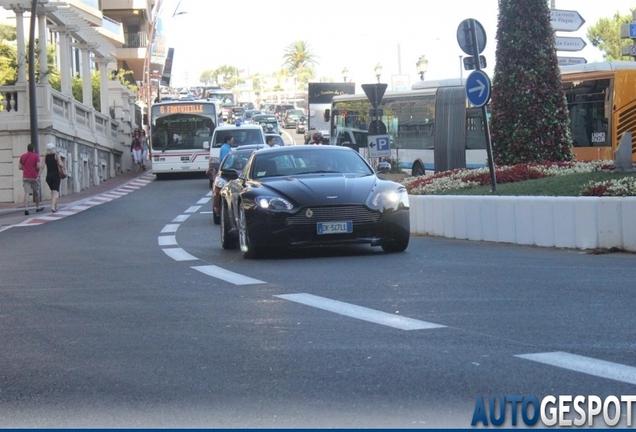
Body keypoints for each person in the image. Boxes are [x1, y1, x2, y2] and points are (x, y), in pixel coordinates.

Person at [18, 143, 43, 215]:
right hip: (34, 177)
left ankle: (26, 208)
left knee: (27, 193)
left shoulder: (23, 156)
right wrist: (35, 170)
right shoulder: (36, 156)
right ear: (34, 149)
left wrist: (25, 169)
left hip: (25, 177)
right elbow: (38, 166)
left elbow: (20, 167)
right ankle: (37, 207)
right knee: (37, 192)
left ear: (27, 149)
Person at [44, 143, 63, 213]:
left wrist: (39, 175)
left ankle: (56, 206)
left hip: (48, 176)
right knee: (55, 192)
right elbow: (61, 164)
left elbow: (42, 166)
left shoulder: (45, 156)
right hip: (56, 175)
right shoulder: (56, 155)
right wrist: (59, 162)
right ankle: (52, 207)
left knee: (52, 191)